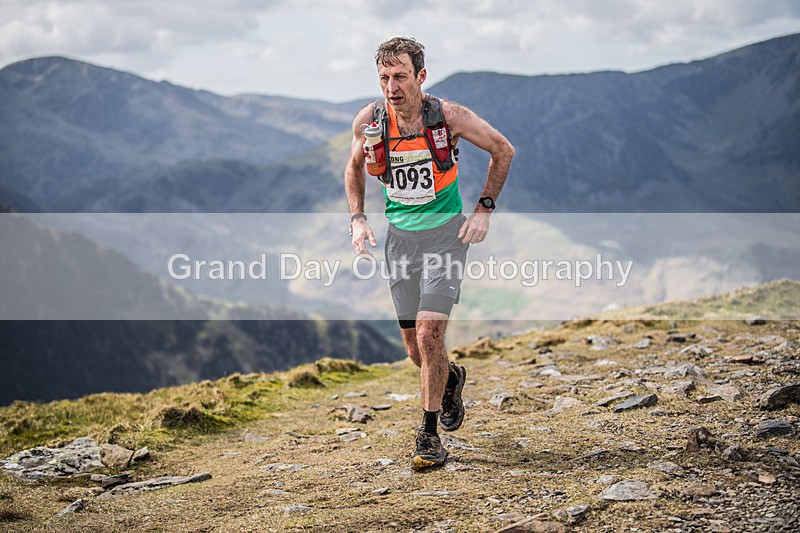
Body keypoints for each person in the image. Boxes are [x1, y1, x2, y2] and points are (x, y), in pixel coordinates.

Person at [344, 36, 514, 470]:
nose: (391, 86)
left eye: (400, 76)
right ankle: (451, 377)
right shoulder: (370, 120)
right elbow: (353, 167)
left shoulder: (449, 117)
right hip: (400, 240)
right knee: (416, 352)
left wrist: (484, 211)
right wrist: (358, 219)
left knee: (428, 335)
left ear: (420, 76)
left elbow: (503, 150)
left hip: (445, 238)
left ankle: (428, 433)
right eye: (384, 77)